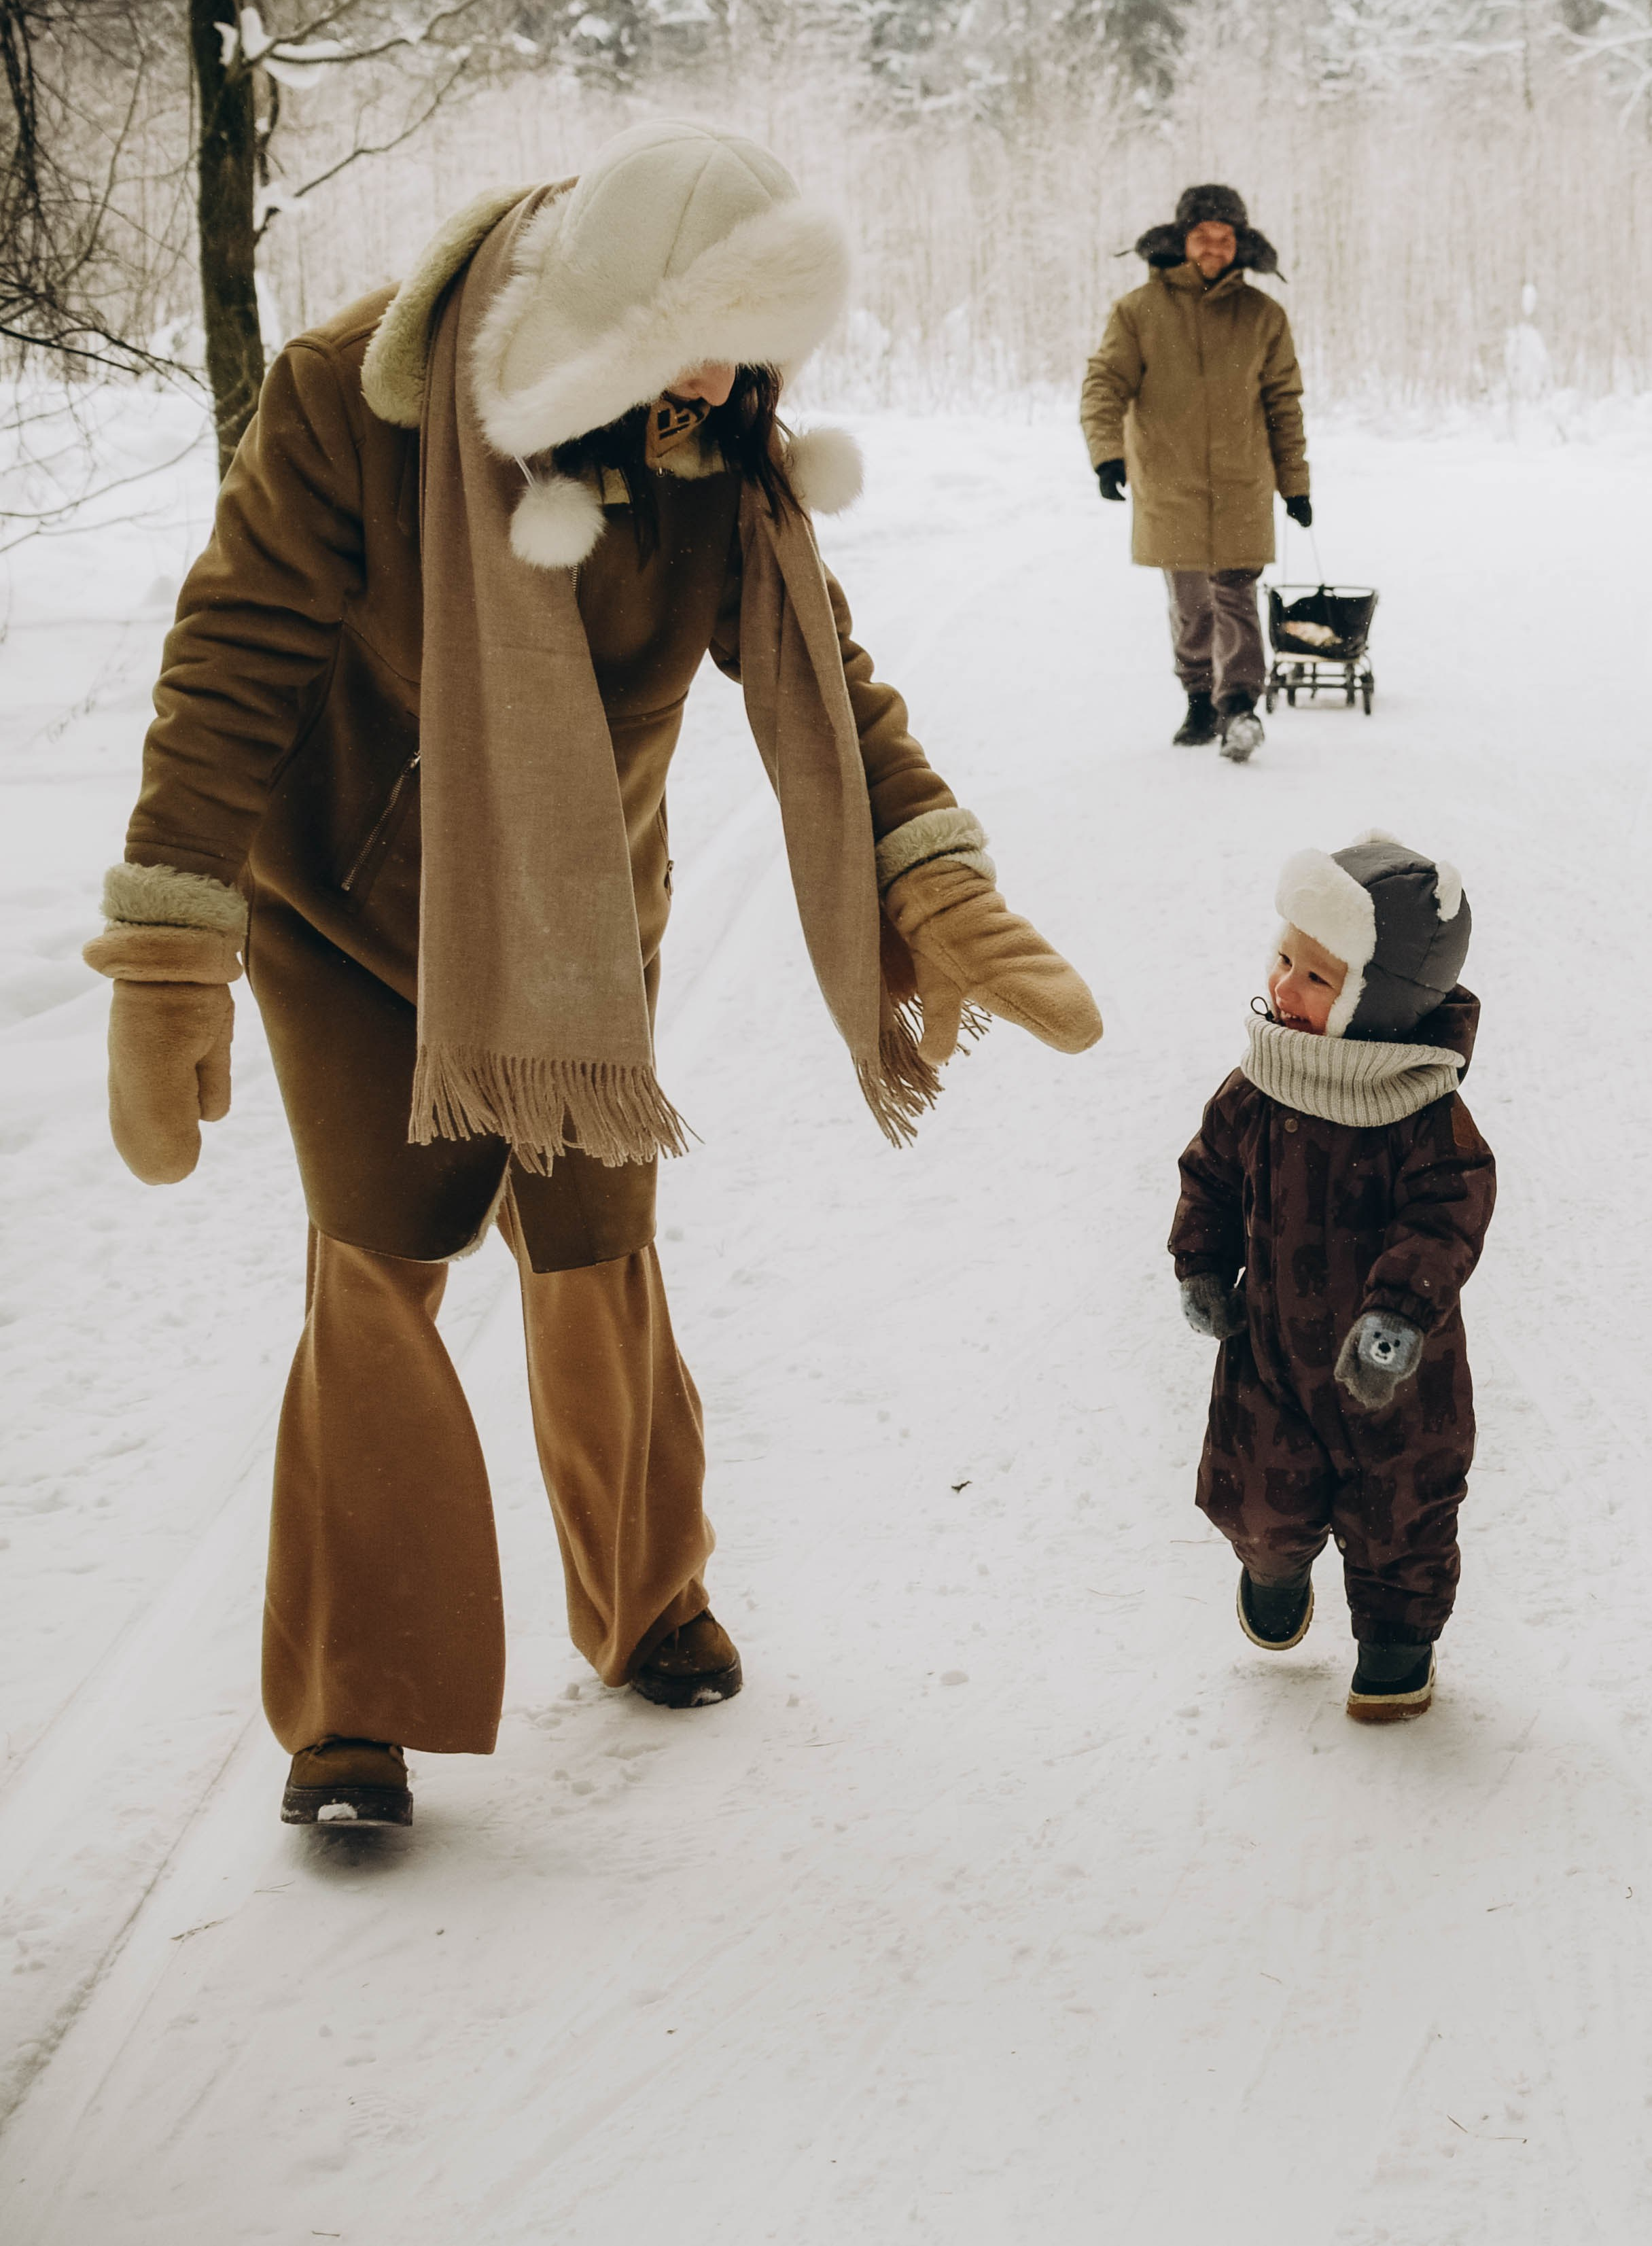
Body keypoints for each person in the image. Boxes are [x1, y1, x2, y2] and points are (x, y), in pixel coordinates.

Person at [83, 119, 1103, 1829]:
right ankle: (355, 1698)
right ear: (608, 305)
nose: (723, 381)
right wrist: (174, 936)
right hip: (341, 911)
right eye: (701, 338)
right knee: (382, 1263)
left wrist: (930, 874)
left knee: (596, 1249)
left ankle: (648, 1591)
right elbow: (235, 650)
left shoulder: (717, 440)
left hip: (575, 918)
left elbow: (825, 677)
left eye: (758, 346)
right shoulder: (363, 396)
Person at [1169, 835, 1495, 1722]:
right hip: (1269, 1348)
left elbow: (1444, 1214)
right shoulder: (1260, 1082)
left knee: (1403, 1507)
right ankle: (1272, 1566)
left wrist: (1396, 1309)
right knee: (1257, 1490)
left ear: (1377, 995)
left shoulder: (1423, 1112)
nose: (1283, 989)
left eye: (1315, 978)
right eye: (1281, 959)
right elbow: (1208, 1171)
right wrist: (1199, 1260)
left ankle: (1395, 1643)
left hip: (1394, 1371)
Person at [1080, 183, 1312, 762]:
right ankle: (1198, 699)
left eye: (1224, 237)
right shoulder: (1139, 311)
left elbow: (1284, 404)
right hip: (1170, 481)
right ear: (1182, 241)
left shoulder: (1263, 316)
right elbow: (1105, 383)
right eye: (1203, 236)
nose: (1213, 247)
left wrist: (1296, 485)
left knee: (1235, 592)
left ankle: (1239, 706)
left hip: (1240, 481)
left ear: (1240, 245)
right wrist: (1107, 453)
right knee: (1190, 600)